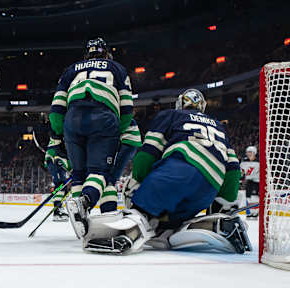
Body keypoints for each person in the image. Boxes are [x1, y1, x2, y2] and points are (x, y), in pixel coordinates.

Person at [80, 89, 251, 255]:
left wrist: (139, 184)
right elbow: (233, 171)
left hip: (178, 171)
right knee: (168, 229)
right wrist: (223, 207)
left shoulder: (171, 115)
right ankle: (213, 226)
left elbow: (147, 153)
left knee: (140, 208)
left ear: (181, 103)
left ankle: (129, 231)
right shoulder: (220, 127)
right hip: (209, 187)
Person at [46, 37, 139, 238]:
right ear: (106, 53)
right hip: (104, 119)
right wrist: (117, 130)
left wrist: (59, 134)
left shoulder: (71, 70)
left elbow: (56, 109)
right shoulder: (116, 68)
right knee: (103, 175)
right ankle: (95, 210)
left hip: (72, 120)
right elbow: (127, 109)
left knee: (79, 175)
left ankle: (82, 223)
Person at [241, 146, 259, 218]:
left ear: (254, 153)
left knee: (254, 197)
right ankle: (252, 212)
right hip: (249, 181)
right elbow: (242, 171)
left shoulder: (259, 161)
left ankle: (255, 212)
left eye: (250, 152)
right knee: (248, 197)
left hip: (256, 182)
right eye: (248, 152)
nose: (248, 154)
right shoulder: (244, 161)